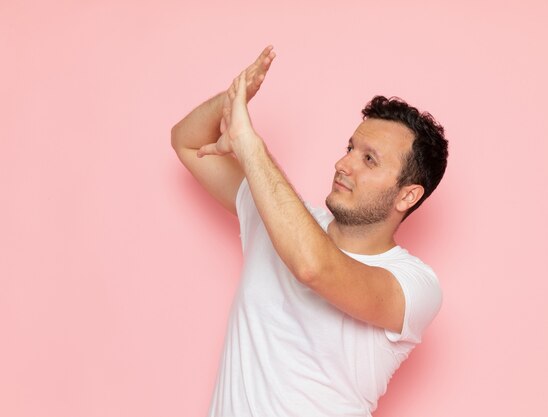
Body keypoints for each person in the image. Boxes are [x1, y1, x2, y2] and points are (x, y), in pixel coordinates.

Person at [171, 45, 449, 417]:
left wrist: (248, 144)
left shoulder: (415, 285)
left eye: (368, 159)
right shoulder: (277, 219)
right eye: (350, 148)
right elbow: (186, 142)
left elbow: (315, 268)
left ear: (407, 195)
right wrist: (232, 100)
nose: (342, 163)